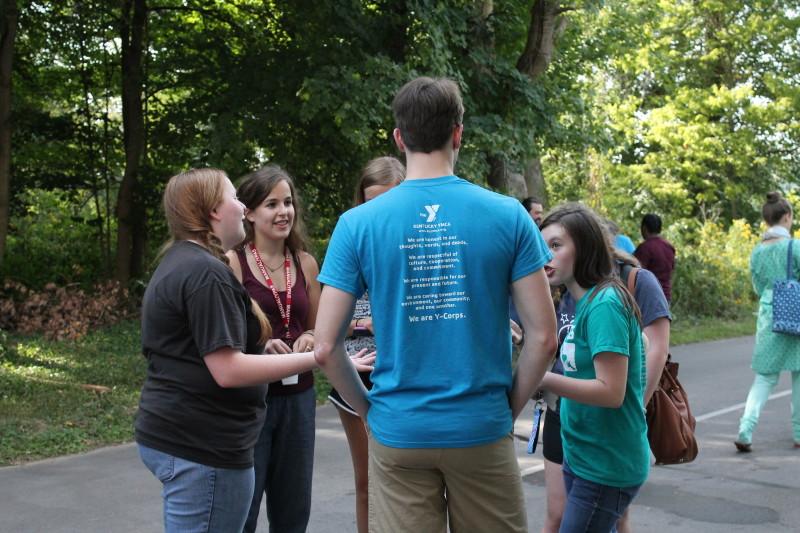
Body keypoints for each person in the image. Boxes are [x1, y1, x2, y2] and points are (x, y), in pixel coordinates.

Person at [314, 76, 557, 533]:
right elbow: (543, 338)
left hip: (398, 429)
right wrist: (506, 409)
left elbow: (325, 348)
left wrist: (370, 411)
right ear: (459, 133)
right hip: (480, 427)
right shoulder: (509, 215)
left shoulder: (357, 224)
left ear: (399, 138)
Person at [135, 168, 374, 533]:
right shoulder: (207, 273)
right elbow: (227, 368)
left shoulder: (182, 262)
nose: (240, 205)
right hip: (202, 446)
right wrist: (321, 356)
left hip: (190, 438)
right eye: (235, 198)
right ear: (214, 211)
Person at [539, 220, 671, 533]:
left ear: (585, 248)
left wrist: (541, 380)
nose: (545, 255)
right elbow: (578, 363)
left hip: (605, 463)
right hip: (582, 454)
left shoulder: (605, 304)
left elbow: (611, 392)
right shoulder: (581, 301)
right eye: (542, 245)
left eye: (556, 245)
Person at [227, 165, 319, 533]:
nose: (283, 212)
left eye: (288, 202)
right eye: (271, 204)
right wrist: (261, 344)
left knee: (293, 510)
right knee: (245, 509)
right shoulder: (233, 262)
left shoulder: (306, 263)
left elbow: (317, 325)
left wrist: (310, 336)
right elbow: (228, 333)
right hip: (254, 400)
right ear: (248, 213)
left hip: (300, 399)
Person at [325, 155, 405, 533]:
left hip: (406, 376)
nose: (378, 211)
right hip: (356, 375)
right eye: (370, 202)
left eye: (387, 201)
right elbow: (327, 326)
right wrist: (364, 322)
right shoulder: (351, 239)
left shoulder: (419, 241)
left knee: (411, 483)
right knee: (367, 481)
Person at [735, 191, 800, 452]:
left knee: (764, 378)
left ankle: (746, 429)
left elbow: (758, 286)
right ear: (786, 217)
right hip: (796, 312)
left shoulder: (757, 252)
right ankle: (798, 432)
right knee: (799, 376)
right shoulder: (794, 246)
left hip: (769, 315)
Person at [634, 213, 676, 302]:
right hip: (665, 295)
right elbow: (671, 270)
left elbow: (636, 273)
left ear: (644, 228)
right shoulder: (669, 247)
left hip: (649, 296)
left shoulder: (645, 248)